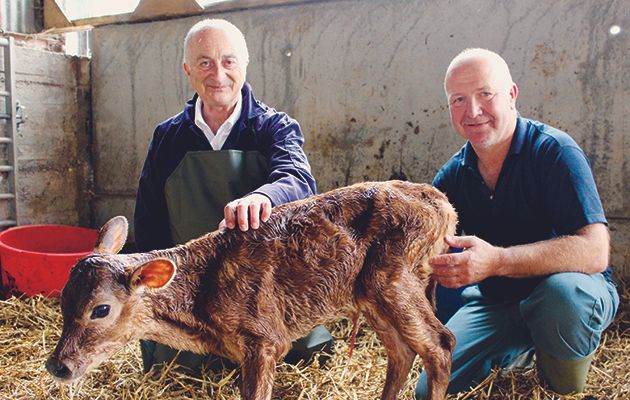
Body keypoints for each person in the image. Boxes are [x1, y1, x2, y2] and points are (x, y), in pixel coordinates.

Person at [416, 48, 619, 398]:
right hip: (497, 302)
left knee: (564, 297)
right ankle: (521, 347)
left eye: (485, 94)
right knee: (431, 389)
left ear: (511, 95)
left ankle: (561, 378)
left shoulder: (554, 152)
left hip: (567, 295)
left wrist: (495, 260)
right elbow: (427, 251)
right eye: (458, 100)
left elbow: (596, 252)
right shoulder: (452, 176)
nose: (473, 111)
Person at [134, 18, 333, 374]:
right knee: (179, 368)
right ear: (187, 70)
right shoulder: (167, 137)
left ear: (244, 64)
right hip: (193, 287)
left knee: (295, 361)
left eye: (228, 61)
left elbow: (299, 179)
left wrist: (265, 197)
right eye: (204, 62)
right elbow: (149, 221)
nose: (218, 74)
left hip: (267, 286)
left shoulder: (273, 127)